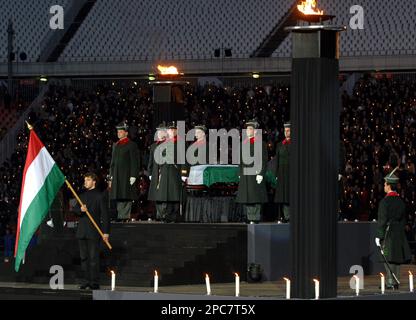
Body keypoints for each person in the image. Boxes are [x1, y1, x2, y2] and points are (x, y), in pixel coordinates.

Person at [375, 170, 411, 289]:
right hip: (399, 234)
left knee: (388, 258)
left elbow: (382, 221)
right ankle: (396, 281)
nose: (384, 186)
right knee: (397, 258)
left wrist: (379, 235)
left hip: (388, 234)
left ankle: (390, 282)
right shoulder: (401, 202)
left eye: (385, 184)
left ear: (389, 185)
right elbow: (403, 221)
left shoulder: (384, 202)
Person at [75, 173, 110, 290]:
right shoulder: (82, 195)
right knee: (84, 258)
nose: (85, 182)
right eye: (85, 180)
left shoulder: (100, 196)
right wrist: (80, 209)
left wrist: (106, 232)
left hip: (94, 232)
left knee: (93, 258)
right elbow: (75, 210)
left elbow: (105, 215)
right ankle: (86, 281)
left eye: (88, 180)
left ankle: (94, 282)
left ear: (94, 182)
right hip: (82, 231)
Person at [235, 119, 268, 224]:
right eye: (247, 129)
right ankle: (249, 217)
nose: (247, 130)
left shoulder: (260, 143)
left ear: (255, 131)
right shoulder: (242, 144)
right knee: (247, 196)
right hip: (245, 172)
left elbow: (263, 160)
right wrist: (240, 173)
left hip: (255, 172)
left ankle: (256, 217)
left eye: (250, 129)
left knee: (256, 195)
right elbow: (240, 160)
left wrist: (261, 174)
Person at [109, 122, 140, 222]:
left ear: (126, 133)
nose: (119, 133)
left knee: (126, 195)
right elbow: (113, 162)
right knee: (118, 195)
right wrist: (111, 175)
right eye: (118, 131)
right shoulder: (116, 145)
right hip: (117, 174)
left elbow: (135, 161)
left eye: (121, 131)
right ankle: (119, 216)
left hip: (126, 174)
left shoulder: (131, 145)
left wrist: (133, 175)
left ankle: (124, 216)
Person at [147, 122, 168, 221]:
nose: (159, 133)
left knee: (164, 194)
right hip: (156, 172)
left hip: (164, 172)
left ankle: (164, 214)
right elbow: (150, 161)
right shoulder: (153, 146)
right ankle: (159, 215)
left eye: (161, 131)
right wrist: (150, 173)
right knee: (157, 195)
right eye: (158, 131)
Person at [274, 122, 291, 223]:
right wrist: (276, 174)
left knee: (291, 195)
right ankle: (286, 216)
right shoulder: (279, 145)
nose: (286, 132)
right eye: (285, 131)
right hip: (281, 172)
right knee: (284, 196)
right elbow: (277, 160)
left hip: (292, 172)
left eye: (288, 130)